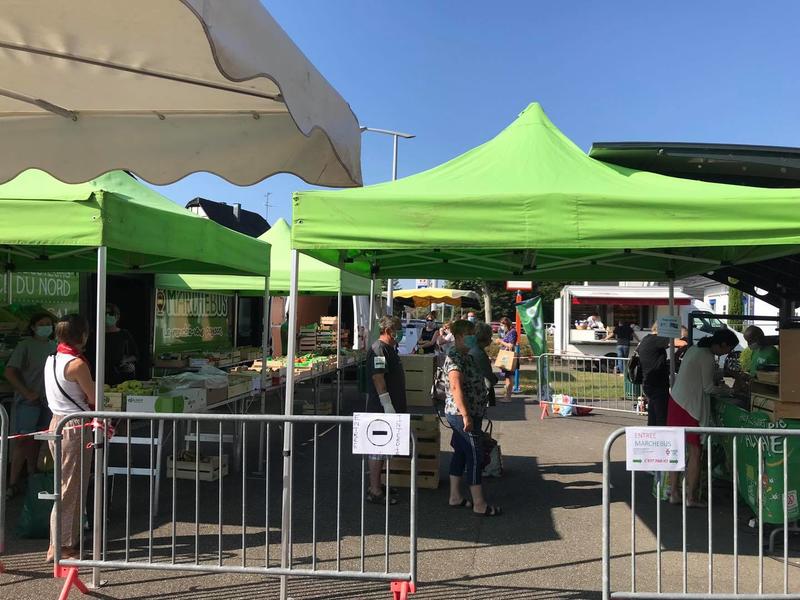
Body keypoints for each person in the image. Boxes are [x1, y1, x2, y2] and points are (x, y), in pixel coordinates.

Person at [44, 314, 95, 562]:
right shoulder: (77, 364)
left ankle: (66, 541)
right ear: (82, 335)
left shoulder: (51, 359)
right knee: (70, 487)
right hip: (75, 426)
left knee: (67, 485)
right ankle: (61, 545)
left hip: (57, 422)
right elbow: (93, 396)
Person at [667, 328, 738, 508]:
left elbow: (699, 375)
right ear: (722, 344)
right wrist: (730, 390)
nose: (727, 353)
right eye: (728, 349)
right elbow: (708, 388)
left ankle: (674, 492)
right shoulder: (706, 356)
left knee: (676, 451)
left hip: (676, 401)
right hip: (690, 407)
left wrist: (722, 375)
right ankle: (691, 497)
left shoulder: (694, 349)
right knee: (695, 452)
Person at [444, 320, 501, 516]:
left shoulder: (465, 355)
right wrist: (466, 415)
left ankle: (455, 496)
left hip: (469, 413)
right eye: (469, 334)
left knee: (460, 452)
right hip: (461, 414)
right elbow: (455, 387)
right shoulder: (454, 357)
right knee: (474, 455)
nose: (472, 338)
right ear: (459, 336)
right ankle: (479, 503)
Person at [4, 312, 57, 499]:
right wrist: (26, 392)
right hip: (28, 401)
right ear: (33, 327)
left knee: (40, 441)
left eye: (48, 324)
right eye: (41, 324)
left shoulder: (55, 346)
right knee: (22, 440)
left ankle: (33, 477)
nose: (45, 327)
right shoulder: (25, 345)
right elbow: (10, 372)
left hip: (47, 402)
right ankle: (12, 483)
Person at [366, 316, 407, 505]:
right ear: (390, 331)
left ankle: (378, 484)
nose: (402, 333)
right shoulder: (379, 349)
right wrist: (387, 404)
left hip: (389, 407)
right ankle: (375, 490)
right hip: (380, 408)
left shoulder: (389, 348)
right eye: (399, 330)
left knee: (385, 448)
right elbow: (378, 378)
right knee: (377, 449)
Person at [635, 323, 670, 426]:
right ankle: (660, 437)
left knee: (653, 412)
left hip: (648, 381)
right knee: (661, 414)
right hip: (657, 382)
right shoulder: (656, 339)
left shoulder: (645, 339)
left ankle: (652, 434)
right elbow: (676, 343)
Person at [104, 303, 139, 385]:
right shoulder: (96, 335)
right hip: (102, 377)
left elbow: (135, 355)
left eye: (111, 313)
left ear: (117, 316)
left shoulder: (124, 334)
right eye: (105, 313)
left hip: (121, 378)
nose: (107, 316)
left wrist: (125, 361)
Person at [469, 322, 498, 407]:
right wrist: (494, 379)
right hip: (476, 397)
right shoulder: (479, 354)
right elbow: (489, 378)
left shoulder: (470, 348)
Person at [494, 317, 517, 403]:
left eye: (502, 325)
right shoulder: (508, 332)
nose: (501, 326)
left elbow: (510, 345)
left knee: (509, 377)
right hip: (506, 356)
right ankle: (507, 395)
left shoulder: (512, 332)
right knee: (507, 377)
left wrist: (500, 341)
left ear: (507, 324)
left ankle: (508, 397)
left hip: (508, 357)